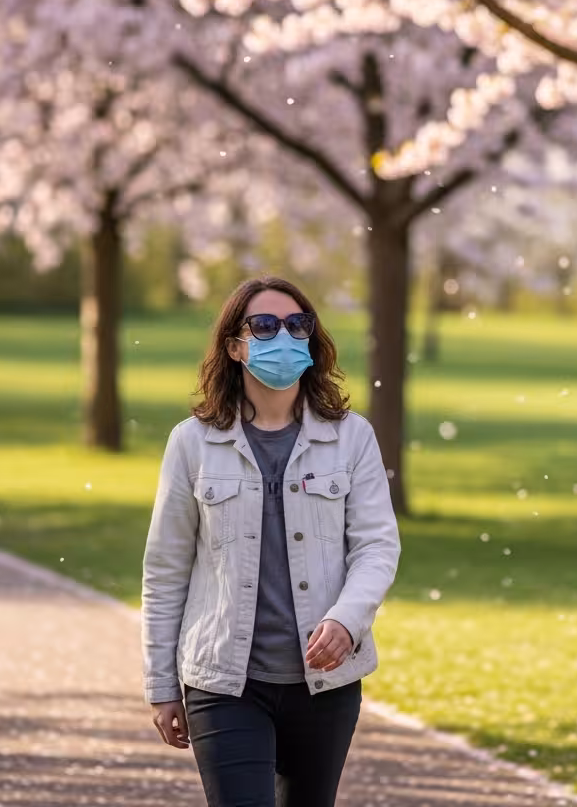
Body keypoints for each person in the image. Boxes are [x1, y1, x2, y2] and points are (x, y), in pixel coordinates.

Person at [141, 276, 401, 807]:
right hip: (223, 682)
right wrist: (162, 686)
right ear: (235, 347)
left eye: (296, 324)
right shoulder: (192, 443)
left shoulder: (352, 437)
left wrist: (346, 620)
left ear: (311, 338)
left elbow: (377, 547)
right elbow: (165, 570)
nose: (282, 336)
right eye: (263, 325)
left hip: (325, 684)